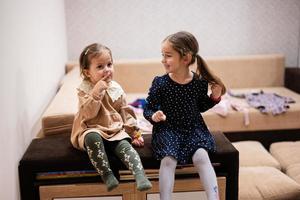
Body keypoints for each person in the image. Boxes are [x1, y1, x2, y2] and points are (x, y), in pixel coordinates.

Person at [143, 31, 226, 200]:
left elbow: (201, 106)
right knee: (168, 159)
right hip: (168, 129)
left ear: (186, 59)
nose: (162, 60)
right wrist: (154, 116)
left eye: (168, 56)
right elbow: (148, 108)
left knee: (202, 156)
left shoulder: (199, 83)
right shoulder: (160, 83)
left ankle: (214, 197)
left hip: (193, 128)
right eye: (162, 55)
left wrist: (214, 97)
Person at [71, 43, 152, 192]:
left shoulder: (116, 88)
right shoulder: (84, 89)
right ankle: (107, 175)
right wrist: (97, 92)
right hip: (91, 127)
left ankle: (140, 176)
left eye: (109, 64)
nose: (107, 69)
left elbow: (125, 112)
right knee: (92, 138)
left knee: (125, 146)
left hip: (113, 128)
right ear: (88, 72)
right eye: (100, 67)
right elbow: (88, 114)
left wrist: (134, 132)